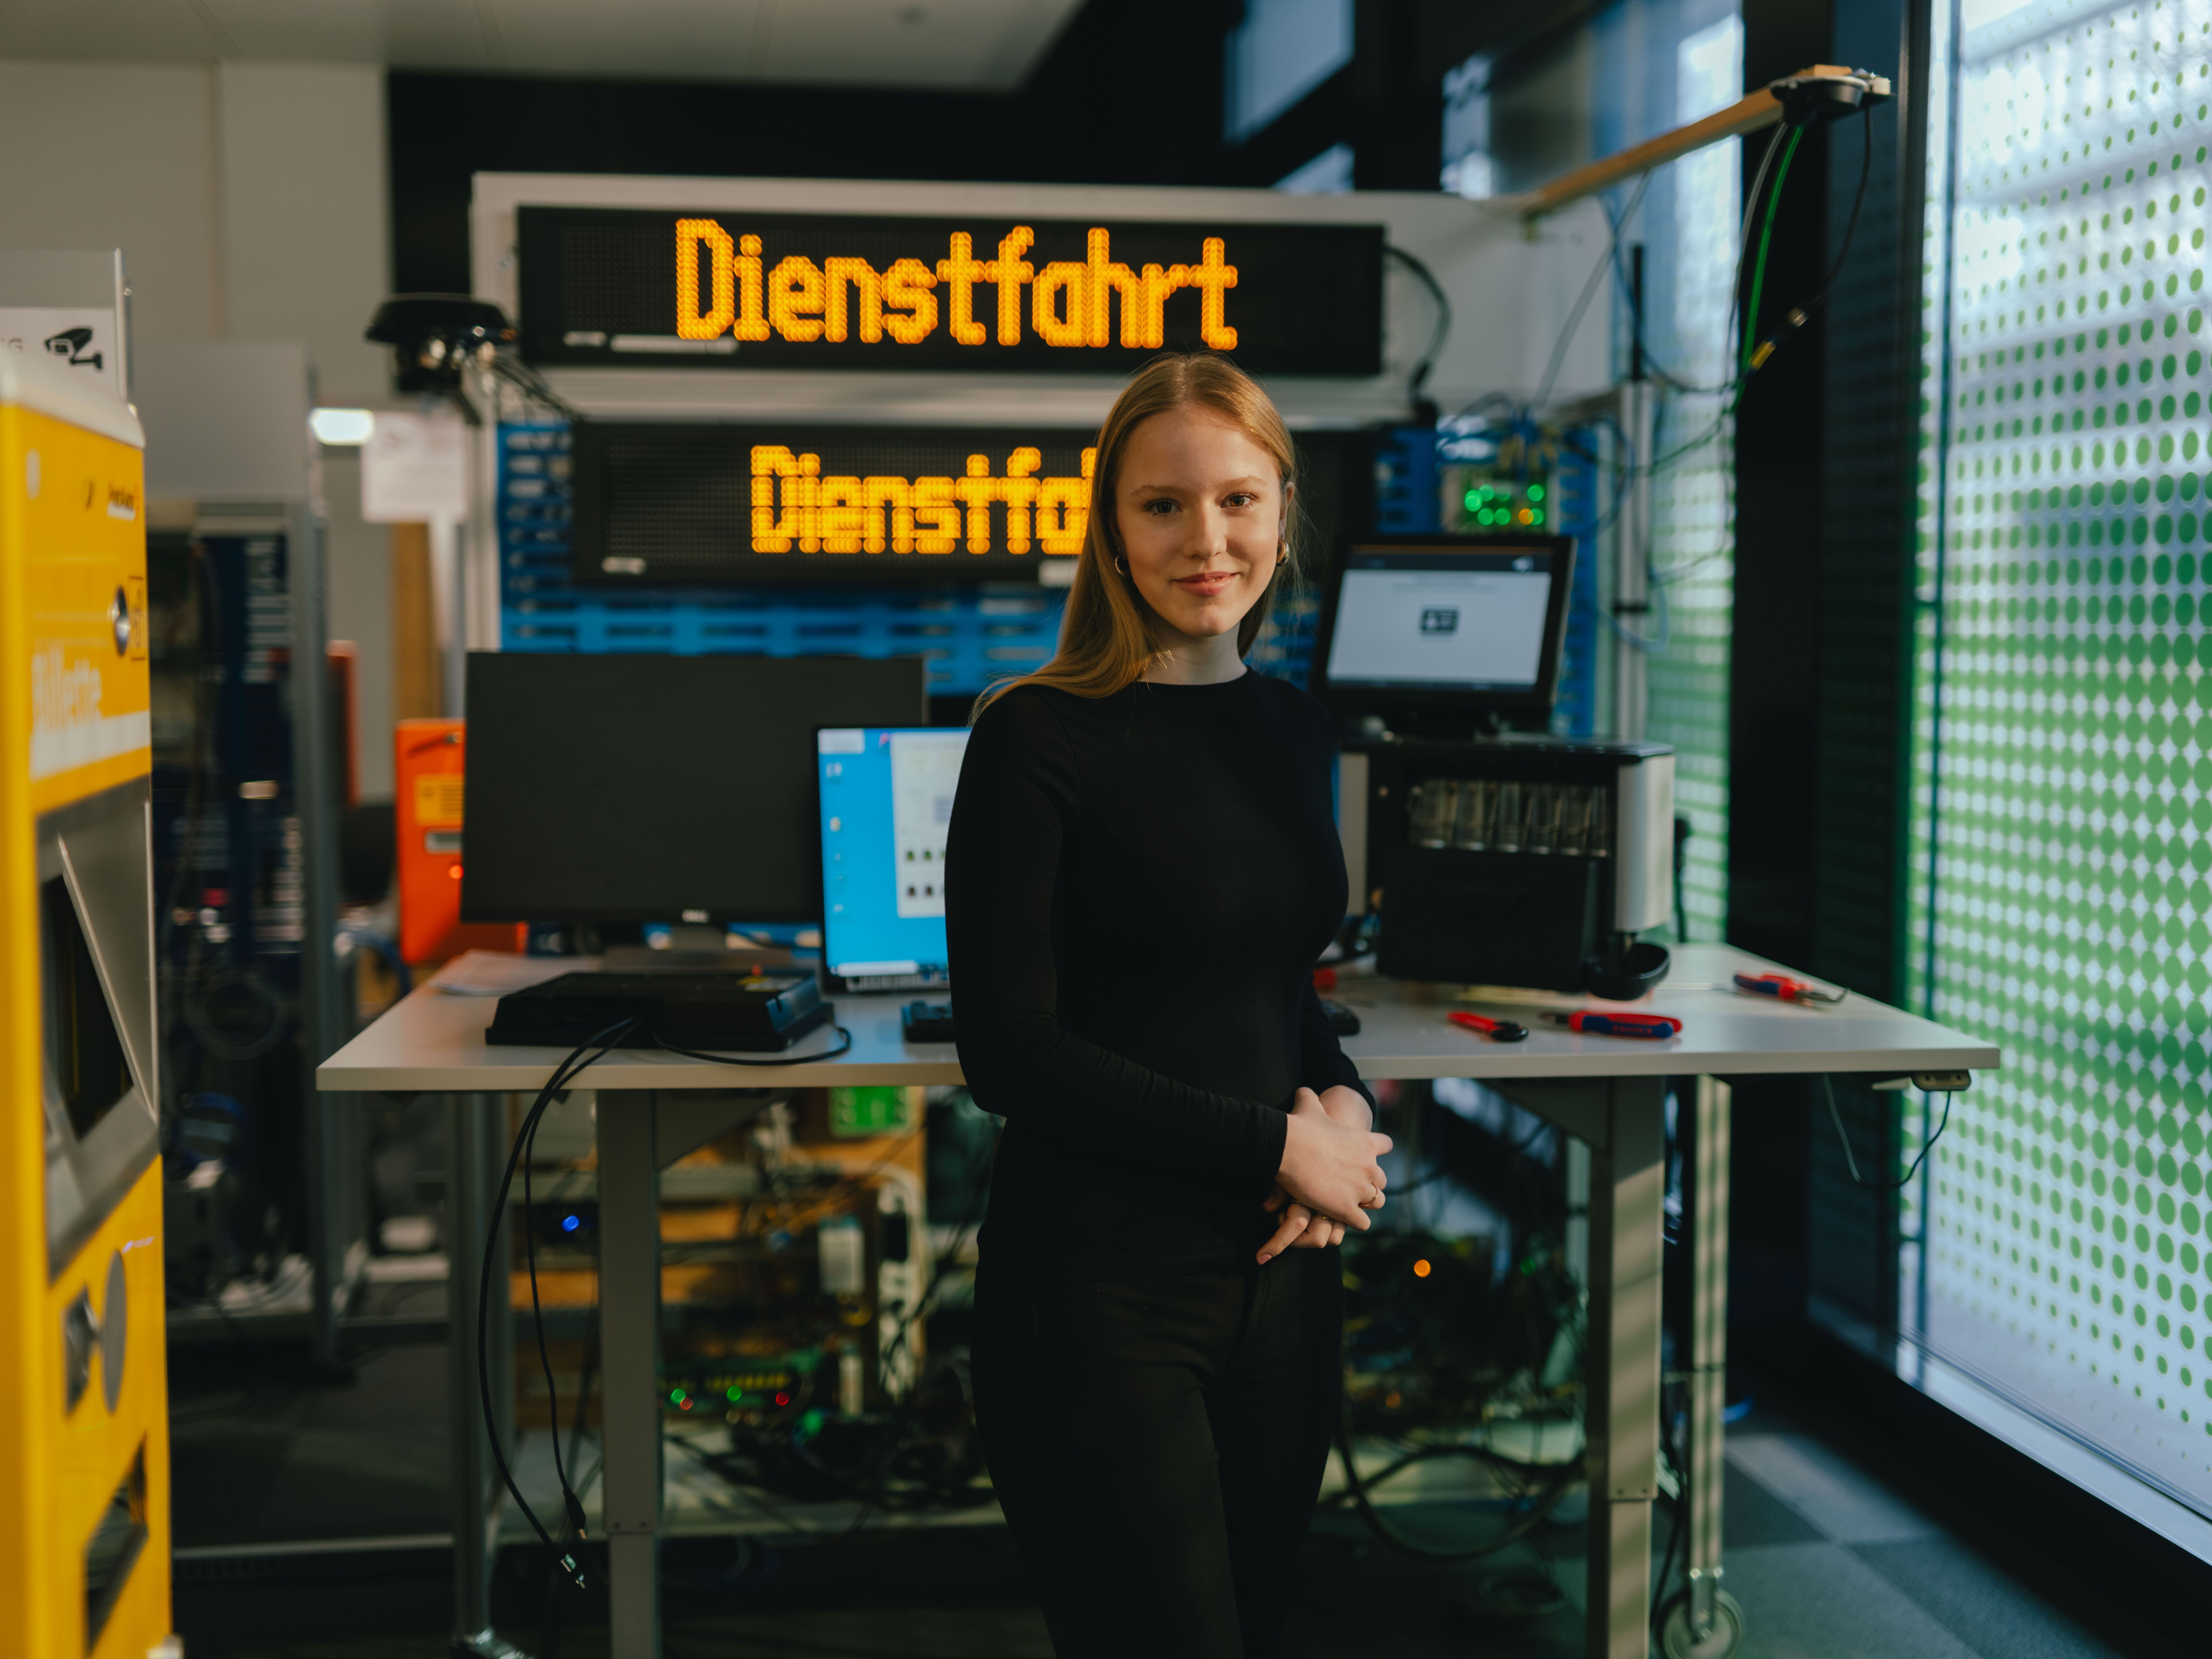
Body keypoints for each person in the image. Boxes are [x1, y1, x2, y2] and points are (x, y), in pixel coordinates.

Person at [945, 352, 1392, 1657]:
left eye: (1239, 501)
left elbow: (1275, 985)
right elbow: (1007, 1052)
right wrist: (1277, 1144)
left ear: (1281, 510)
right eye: (1163, 506)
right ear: (1109, 525)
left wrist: (1343, 1114)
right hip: (1100, 1291)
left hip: (1278, 1281)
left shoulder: (1291, 728)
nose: (1207, 540)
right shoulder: (1033, 736)